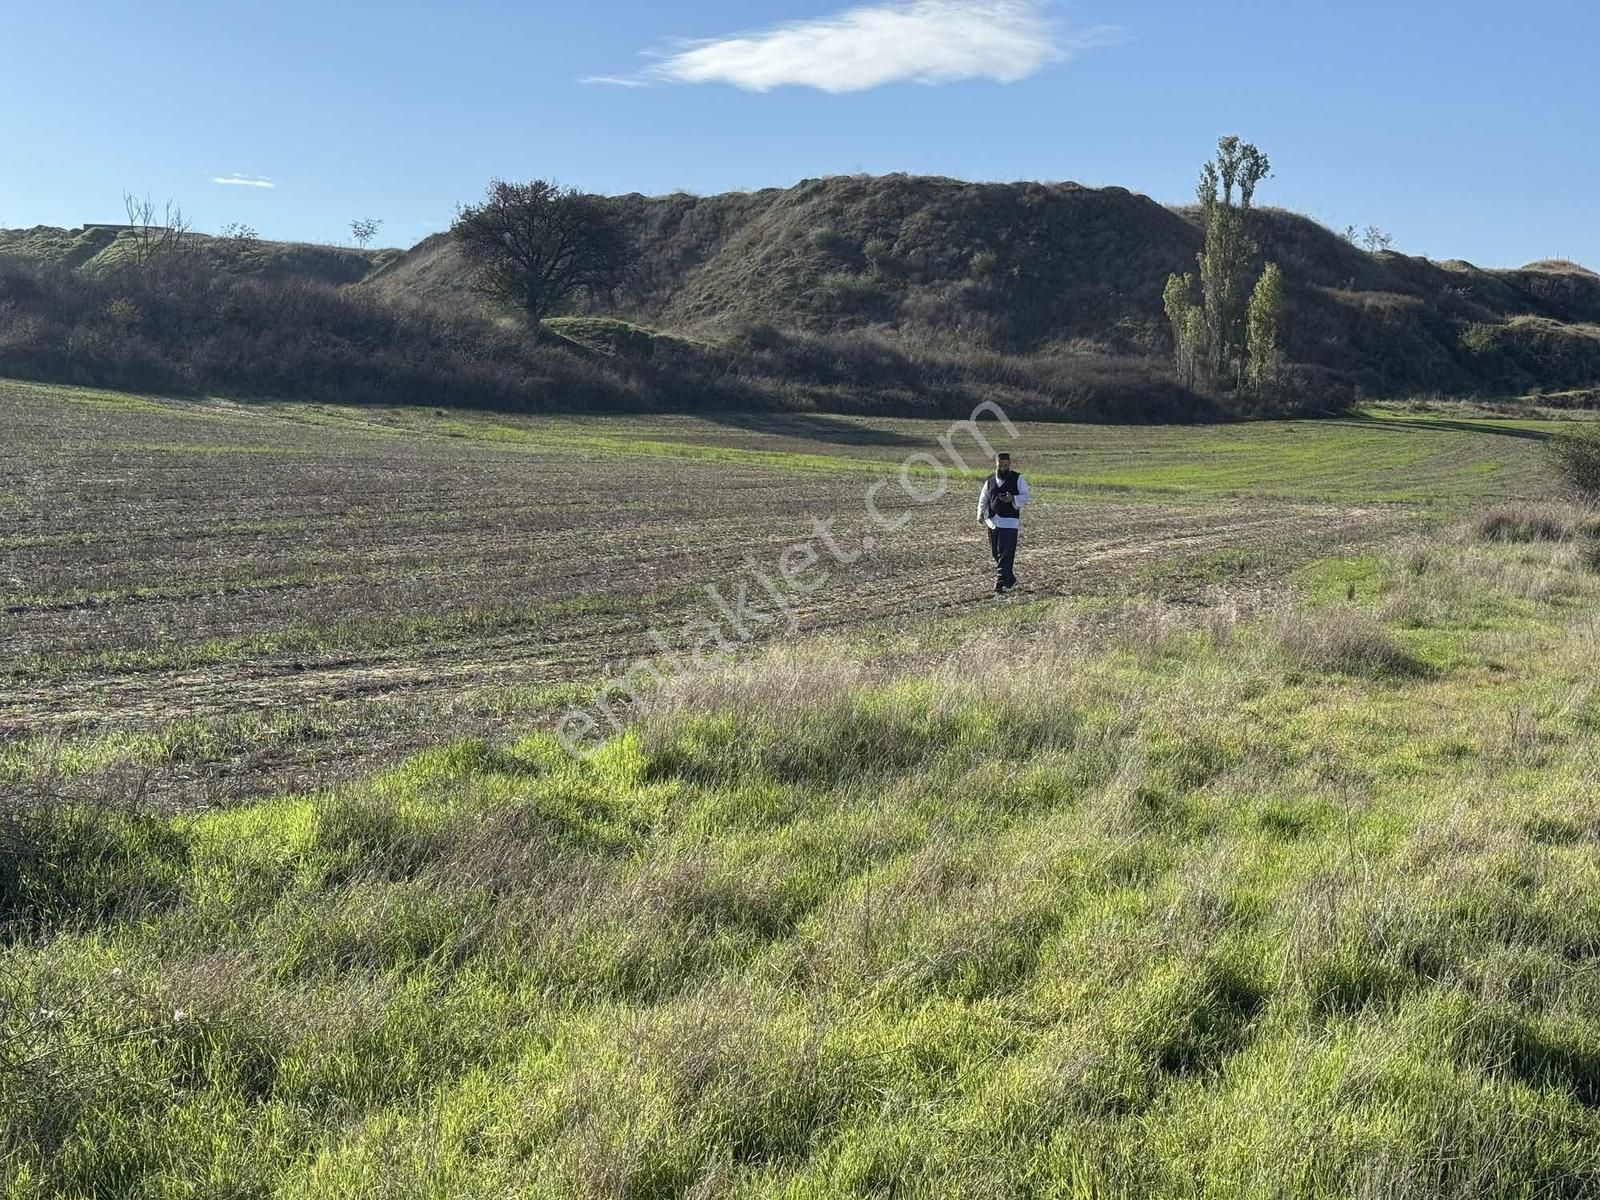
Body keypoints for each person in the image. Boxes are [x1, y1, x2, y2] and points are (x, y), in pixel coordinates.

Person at [977, 451, 1029, 594]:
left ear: (1009, 464)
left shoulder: (1018, 478)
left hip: (1010, 522)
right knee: (996, 553)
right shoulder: (990, 480)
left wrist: (1012, 498)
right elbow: (984, 498)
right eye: (1001, 465)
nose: (1003, 468)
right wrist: (980, 514)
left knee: (1005, 553)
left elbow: (1026, 496)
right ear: (996, 464)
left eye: (1006, 465)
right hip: (993, 521)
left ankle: (1000, 583)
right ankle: (1010, 579)